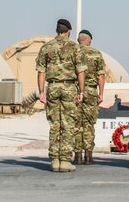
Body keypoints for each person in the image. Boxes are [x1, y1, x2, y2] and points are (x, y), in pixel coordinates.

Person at [36, 19, 85, 172]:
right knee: (68, 124)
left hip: (52, 87)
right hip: (69, 87)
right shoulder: (75, 47)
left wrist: (41, 92)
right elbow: (81, 71)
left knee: (54, 124)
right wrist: (81, 91)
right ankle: (64, 160)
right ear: (68, 31)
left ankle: (55, 160)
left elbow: (41, 72)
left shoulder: (46, 47)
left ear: (57, 30)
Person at [74, 29, 106, 165]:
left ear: (78, 40)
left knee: (76, 123)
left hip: (75, 91)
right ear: (90, 41)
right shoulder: (96, 54)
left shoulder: (73, 52)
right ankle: (88, 155)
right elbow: (101, 76)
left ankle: (77, 156)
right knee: (89, 123)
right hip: (91, 91)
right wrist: (101, 93)